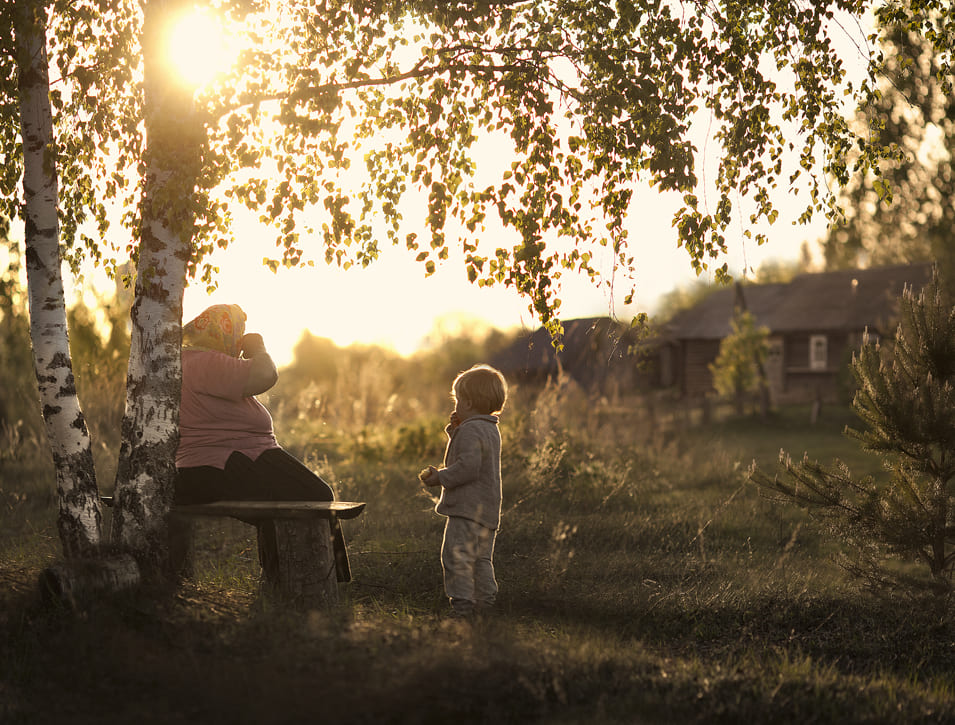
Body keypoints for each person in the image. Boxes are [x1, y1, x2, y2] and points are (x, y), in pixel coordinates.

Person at [174, 303, 350, 582]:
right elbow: (265, 374)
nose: (239, 337)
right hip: (225, 461)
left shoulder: (191, 362)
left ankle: (291, 578)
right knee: (301, 500)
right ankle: (303, 581)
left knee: (310, 496)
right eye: (237, 330)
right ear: (222, 331)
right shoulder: (205, 361)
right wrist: (258, 348)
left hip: (230, 458)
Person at [419, 364, 507, 617]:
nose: (455, 406)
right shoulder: (490, 428)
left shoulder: (470, 430)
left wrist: (440, 477)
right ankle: (486, 602)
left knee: (456, 557)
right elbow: (471, 454)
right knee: (480, 560)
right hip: (487, 510)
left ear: (468, 403)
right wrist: (455, 431)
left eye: (458, 401)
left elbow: (468, 467)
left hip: (467, 509)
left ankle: (463, 607)